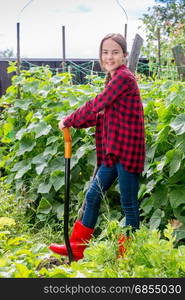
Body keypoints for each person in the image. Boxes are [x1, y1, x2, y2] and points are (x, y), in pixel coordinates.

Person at [49, 33, 145, 261]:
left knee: (128, 204)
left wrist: (68, 120)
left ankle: (129, 255)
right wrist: (75, 123)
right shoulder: (112, 80)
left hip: (127, 151)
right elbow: (99, 115)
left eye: (115, 52)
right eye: (105, 52)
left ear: (124, 55)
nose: (109, 56)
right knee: (93, 196)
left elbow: (96, 104)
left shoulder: (124, 78)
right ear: (100, 56)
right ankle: (77, 247)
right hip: (113, 151)